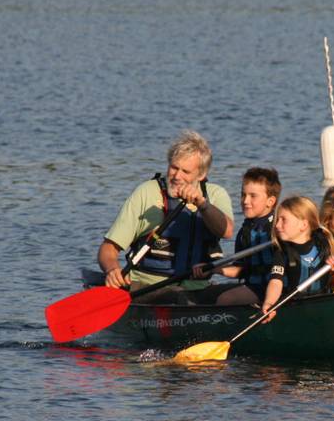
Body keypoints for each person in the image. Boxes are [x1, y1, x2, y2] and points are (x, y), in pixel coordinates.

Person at [97, 130, 234, 304]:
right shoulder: (147, 192)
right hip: (146, 288)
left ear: (201, 175)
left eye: (186, 171)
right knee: (179, 297)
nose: (177, 176)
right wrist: (112, 270)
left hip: (198, 288)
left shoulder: (215, 194)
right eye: (174, 167)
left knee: (241, 293)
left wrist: (203, 204)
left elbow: (227, 231)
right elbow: (108, 249)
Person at [194, 167, 281, 306]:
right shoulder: (245, 232)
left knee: (226, 299)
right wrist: (212, 269)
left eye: (253, 196)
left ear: (270, 201)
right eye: (243, 194)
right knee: (208, 296)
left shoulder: (280, 227)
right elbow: (240, 270)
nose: (245, 201)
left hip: (277, 288)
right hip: (255, 287)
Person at [261, 196, 334, 322]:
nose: (277, 225)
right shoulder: (282, 253)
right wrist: (269, 303)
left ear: (303, 225)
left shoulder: (323, 246)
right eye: (277, 220)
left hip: (323, 306)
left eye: (283, 220)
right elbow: (276, 282)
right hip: (294, 309)